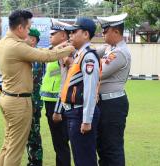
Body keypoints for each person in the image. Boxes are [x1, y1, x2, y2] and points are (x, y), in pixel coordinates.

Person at [0, 10, 75, 166]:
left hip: (8, 98)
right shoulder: (16, 46)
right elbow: (45, 57)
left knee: (7, 145)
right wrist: (69, 48)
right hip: (18, 102)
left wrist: (59, 46)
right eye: (28, 27)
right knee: (15, 149)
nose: (29, 30)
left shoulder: (3, 43)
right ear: (20, 28)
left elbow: (39, 51)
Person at [54, 17, 101, 166]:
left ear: (86, 34)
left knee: (84, 159)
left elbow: (90, 90)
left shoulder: (88, 56)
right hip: (74, 113)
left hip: (80, 114)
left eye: (74, 32)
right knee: (80, 157)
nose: (71, 35)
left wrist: (86, 120)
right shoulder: (80, 54)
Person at [96, 13, 131, 166]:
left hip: (113, 104)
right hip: (105, 103)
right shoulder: (110, 48)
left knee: (112, 148)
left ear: (116, 32)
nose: (102, 34)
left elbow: (97, 71)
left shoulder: (120, 52)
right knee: (103, 147)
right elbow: (89, 53)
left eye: (105, 31)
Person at [40, 18, 71, 166]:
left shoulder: (64, 52)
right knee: (59, 142)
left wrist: (58, 108)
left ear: (63, 36)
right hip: (50, 101)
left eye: (54, 33)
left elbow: (66, 79)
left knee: (61, 143)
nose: (50, 36)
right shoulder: (54, 50)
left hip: (58, 103)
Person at [25, 28, 44, 166]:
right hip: (29, 101)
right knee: (28, 134)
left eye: (27, 36)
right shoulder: (30, 55)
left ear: (33, 40)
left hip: (33, 102)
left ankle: (35, 162)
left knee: (33, 135)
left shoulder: (36, 57)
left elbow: (31, 79)